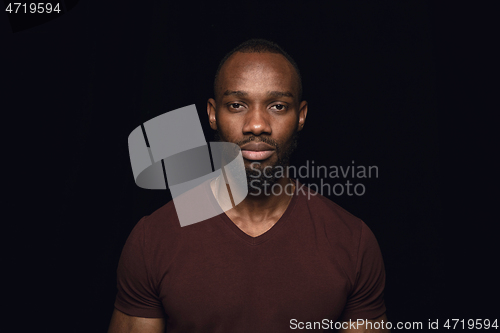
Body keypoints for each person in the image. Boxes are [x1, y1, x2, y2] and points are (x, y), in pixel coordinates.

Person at [108, 38, 389, 333]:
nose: (256, 125)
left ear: (301, 116)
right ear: (213, 114)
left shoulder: (353, 242)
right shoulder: (153, 238)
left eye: (278, 106)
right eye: (237, 105)